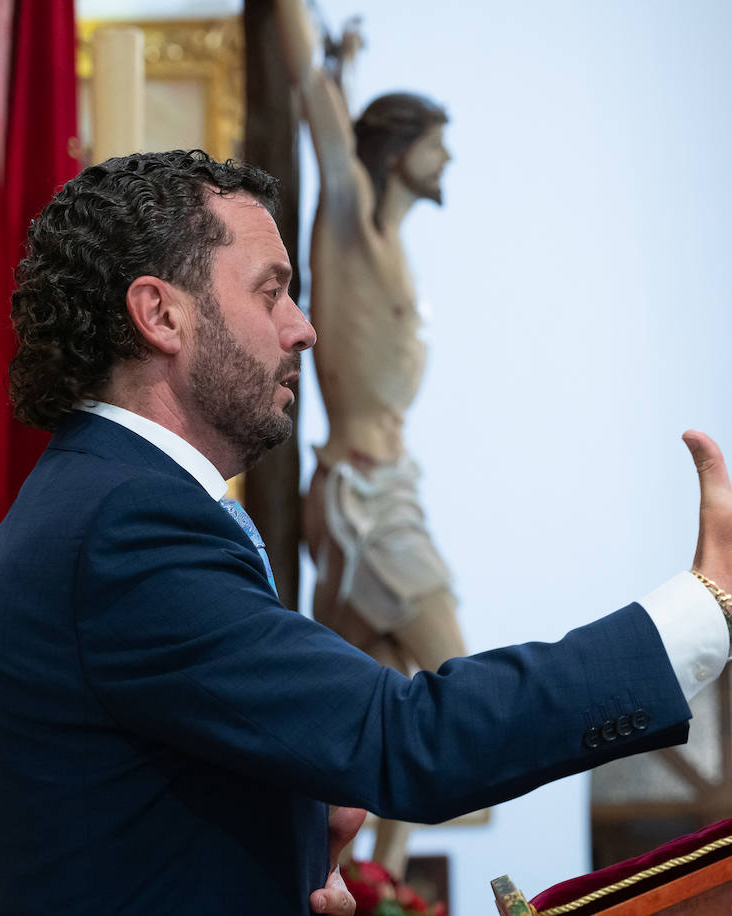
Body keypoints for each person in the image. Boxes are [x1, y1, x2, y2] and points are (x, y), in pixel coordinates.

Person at [0, 149, 732, 914]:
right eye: (270, 291)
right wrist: (718, 603)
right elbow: (407, 739)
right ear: (160, 313)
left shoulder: (101, 500)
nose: (302, 329)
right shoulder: (127, 524)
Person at [275, 0, 464, 873]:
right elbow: (315, 95)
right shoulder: (349, 216)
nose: (449, 157)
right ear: (396, 152)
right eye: (437, 140)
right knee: (455, 687)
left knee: (373, 705)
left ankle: (367, 879)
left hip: (386, 491)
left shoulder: (391, 246)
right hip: (365, 505)